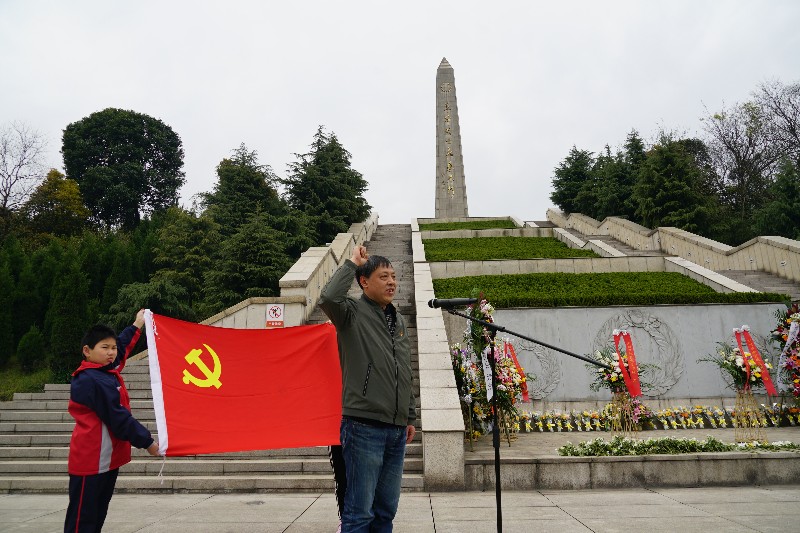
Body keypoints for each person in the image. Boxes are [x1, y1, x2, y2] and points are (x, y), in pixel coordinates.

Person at [319, 245, 416, 533]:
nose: (391, 282)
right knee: (359, 513)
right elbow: (328, 297)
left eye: (394, 276)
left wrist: (409, 415)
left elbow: (403, 368)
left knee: (385, 511)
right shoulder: (350, 313)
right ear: (364, 282)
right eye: (383, 276)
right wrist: (352, 263)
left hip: (396, 429)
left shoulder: (397, 319)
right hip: (363, 426)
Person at [64, 309, 160, 533]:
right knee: (82, 521)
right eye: (104, 348)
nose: (111, 353)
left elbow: (122, 345)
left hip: (107, 460)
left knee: (97, 516)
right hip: (91, 461)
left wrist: (137, 325)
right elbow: (118, 417)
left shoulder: (105, 370)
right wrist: (147, 442)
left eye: (113, 348)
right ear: (87, 351)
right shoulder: (91, 380)